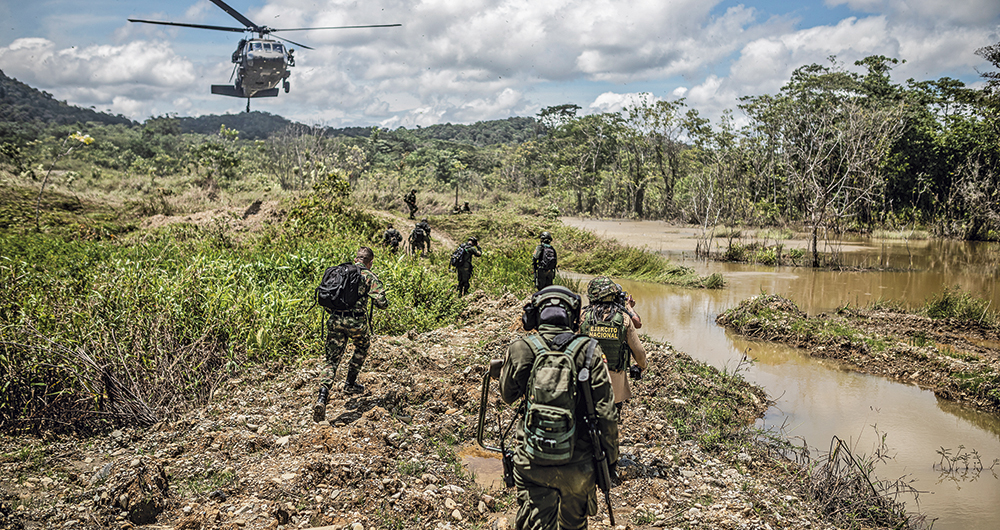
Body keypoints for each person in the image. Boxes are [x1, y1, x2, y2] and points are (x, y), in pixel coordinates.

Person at [500, 285, 619, 530]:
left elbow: (507, 395)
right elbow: (606, 414)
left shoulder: (521, 348)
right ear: (573, 318)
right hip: (579, 466)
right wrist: (610, 462)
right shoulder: (589, 351)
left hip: (532, 462)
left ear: (534, 316)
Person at [313, 247, 389, 423]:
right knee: (362, 346)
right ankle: (350, 383)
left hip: (335, 320)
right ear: (370, 262)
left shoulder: (341, 271)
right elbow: (382, 303)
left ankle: (322, 398)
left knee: (331, 360)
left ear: (356, 259)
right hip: (356, 322)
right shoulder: (369, 275)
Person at [580, 276, 647, 421]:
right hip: (614, 387)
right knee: (611, 424)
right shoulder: (623, 318)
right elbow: (639, 352)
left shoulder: (582, 316)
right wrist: (641, 366)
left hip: (586, 382)